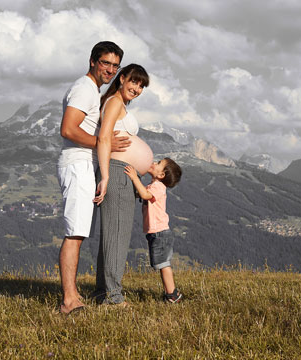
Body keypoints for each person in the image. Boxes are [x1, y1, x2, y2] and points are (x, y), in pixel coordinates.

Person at [57, 41, 130, 314]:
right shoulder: (83, 89)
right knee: (74, 233)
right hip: (77, 164)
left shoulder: (92, 91)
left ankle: (73, 295)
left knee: (79, 232)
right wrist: (104, 141)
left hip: (85, 166)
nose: (110, 69)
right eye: (105, 63)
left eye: (115, 65)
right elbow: (68, 129)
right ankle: (69, 300)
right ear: (92, 61)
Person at [92, 64, 153, 305]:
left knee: (111, 237)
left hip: (121, 173)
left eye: (141, 86)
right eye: (134, 82)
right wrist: (106, 176)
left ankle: (102, 293)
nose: (137, 88)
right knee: (117, 236)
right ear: (122, 79)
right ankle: (114, 298)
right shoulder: (116, 102)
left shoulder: (118, 103)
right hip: (116, 173)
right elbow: (104, 137)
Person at [124, 158, 183, 303]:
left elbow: (144, 195)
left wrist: (133, 177)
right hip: (156, 232)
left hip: (160, 233)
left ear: (162, 175)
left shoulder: (158, 187)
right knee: (161, 264)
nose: (154, 163)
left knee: (163, 264)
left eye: (158, 164)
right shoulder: (153, 185)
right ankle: (170, 293)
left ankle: (172, 295)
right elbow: (142, 193)